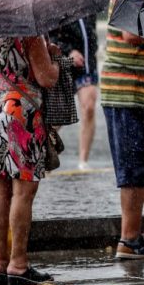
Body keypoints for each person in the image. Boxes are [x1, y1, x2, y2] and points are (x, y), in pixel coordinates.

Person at [0, 34, 60, 285]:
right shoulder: (29, 33)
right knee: (23, 191)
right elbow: (47, 78)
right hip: (21, 113)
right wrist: (54, 59)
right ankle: (18, 264)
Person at [99, 11, 144, 259]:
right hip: (127, 91)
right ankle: (129, 239)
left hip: (143, 91)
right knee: (133, 169)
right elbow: (130, 34)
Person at [50, 16, 99, 170]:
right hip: (66, 66)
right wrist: (69, 51)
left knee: (89, 108)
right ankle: (47, 154)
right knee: (59, 116)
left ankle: (83, 161)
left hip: (87, 66)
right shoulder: (58, 6)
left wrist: (93, 50)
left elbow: (91, 35)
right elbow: (50, 39)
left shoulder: (87, 7)